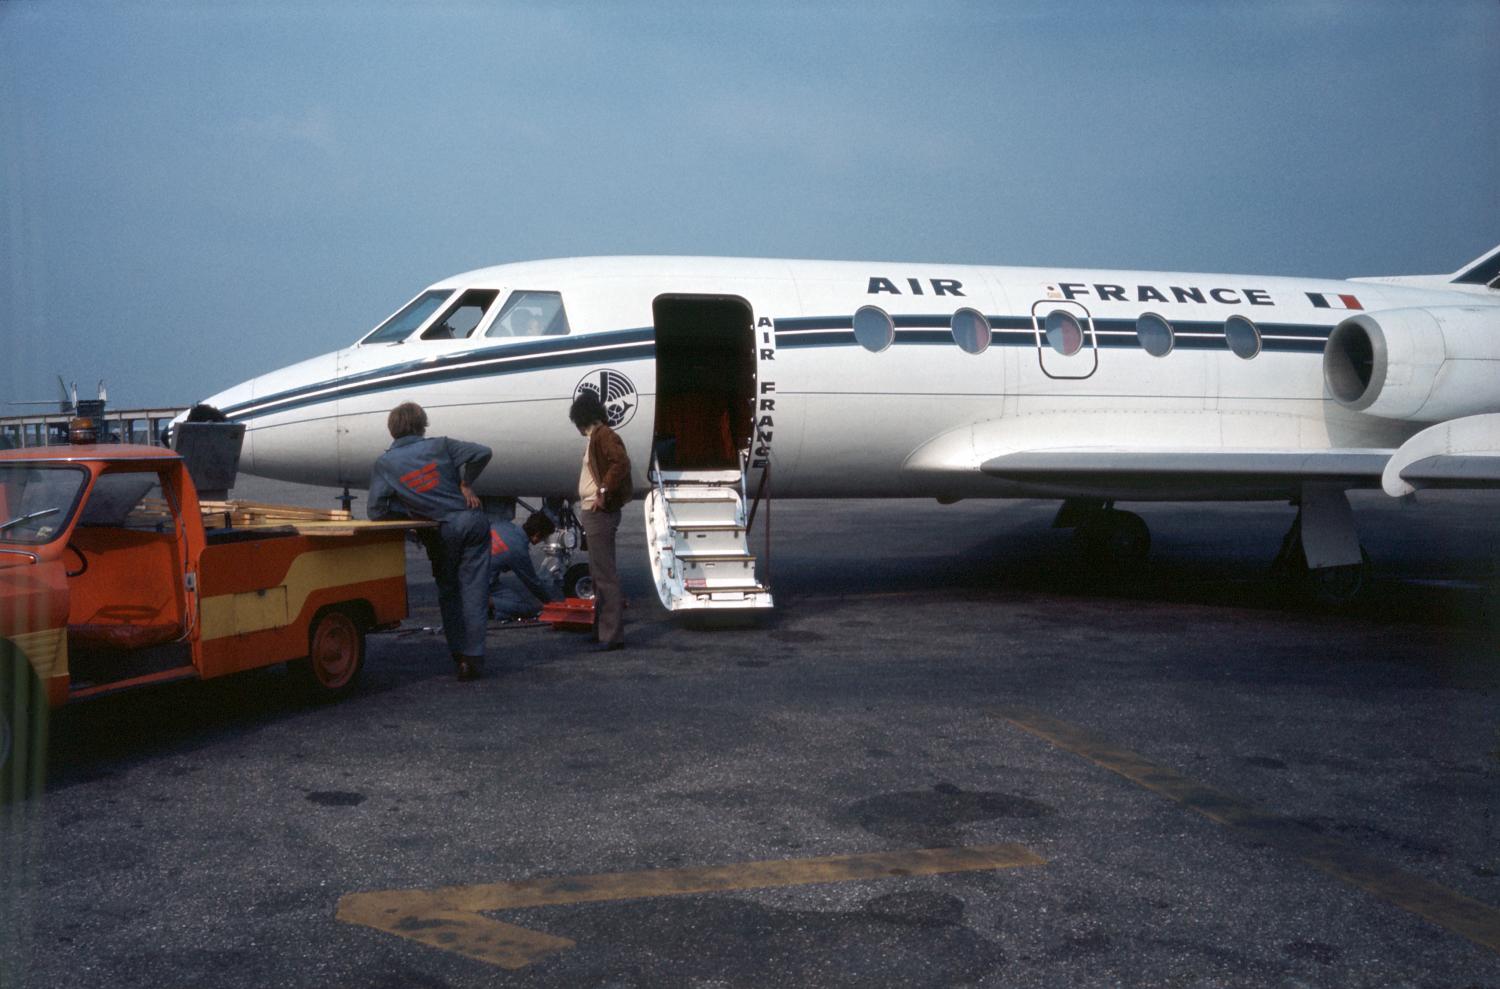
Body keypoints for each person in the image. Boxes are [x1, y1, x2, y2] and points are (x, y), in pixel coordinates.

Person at [368, 402, 493, 681]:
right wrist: (465, 483)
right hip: (471, 521)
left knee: (449, 592)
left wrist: (411, 518)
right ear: (421, 424)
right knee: (474, 591)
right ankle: (474, 655)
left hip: (439, 531)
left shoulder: (385, 463)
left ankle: (459, 655)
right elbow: (483, 452)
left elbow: (376, 511)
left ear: (393, 429)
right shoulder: (441, 445)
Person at [569, 391, 632, 650]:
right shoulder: (595, 437)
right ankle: (601, 629)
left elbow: (621, 463)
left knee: (605, 574)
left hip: (599, 513)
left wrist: (603, 493)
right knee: (597, 573)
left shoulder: (604, 435)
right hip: (591, 511)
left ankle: (612, 635)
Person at [488, 512, 559, 622]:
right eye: (543, 538)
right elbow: (533, 583)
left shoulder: (503, 525)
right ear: (536, 535)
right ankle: (482, 601)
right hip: (480, 583)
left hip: (466, 573)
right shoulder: (519, 550)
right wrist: (552, 603)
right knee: (526, 608)